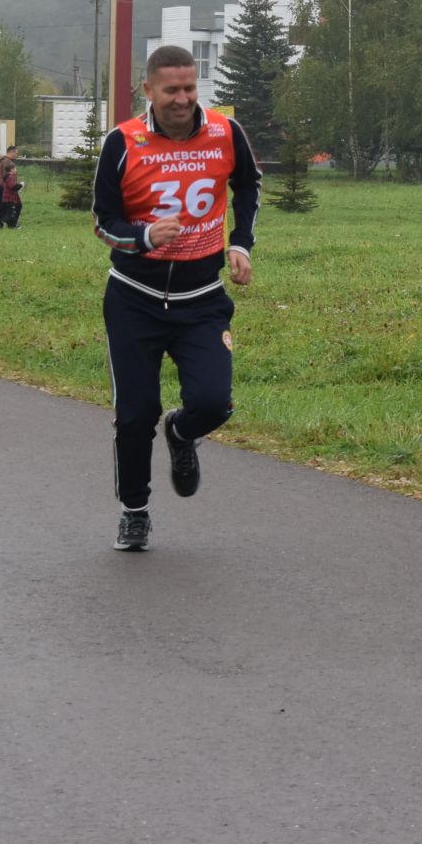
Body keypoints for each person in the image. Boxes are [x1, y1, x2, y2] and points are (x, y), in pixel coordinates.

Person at [91, 45, 261, 551]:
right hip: (135, 297)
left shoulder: (225, 133)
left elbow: (249, 184)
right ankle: (134, 511)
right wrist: (143, 238)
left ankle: (183, 434)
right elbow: (102, 222)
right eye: (172, 90)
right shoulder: (122, 142)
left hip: (202, 296)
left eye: (190, 88)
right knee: (135, 414)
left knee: (213, 402)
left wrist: (240, 241)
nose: (183, 99)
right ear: (148, 91)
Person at [0, 155, 25, 228]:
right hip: (10, 198)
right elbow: (13, 187)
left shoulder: (9, 177)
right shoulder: (10, 177)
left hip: (10, 198)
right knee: (12, 213)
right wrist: (21, 185)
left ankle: (12, 225)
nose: (16, 169)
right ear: (11, 169)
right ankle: (5, 220)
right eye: (15, 168)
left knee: (15, 209)